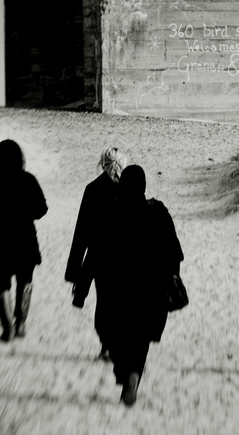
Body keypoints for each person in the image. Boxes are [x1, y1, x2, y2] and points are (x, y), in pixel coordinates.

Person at [91, 165, 182, 406]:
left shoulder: (111, 211)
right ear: (143, 186)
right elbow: (175, 253)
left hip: (116, 289)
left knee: (112, 334)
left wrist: (84, 282)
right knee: (140, 339)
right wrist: (171, 278)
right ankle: (133, 376)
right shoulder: (159, 212)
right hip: (151, 291)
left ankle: (124, 373)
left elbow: (96, 252)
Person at [0, 138, 48, 342]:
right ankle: (21, 324)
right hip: (25, 239)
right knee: (26, 281)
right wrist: (25, 212)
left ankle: (7, 330)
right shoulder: (28, 179)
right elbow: (42, 209)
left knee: (1, 284)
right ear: (20, 158)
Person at [66, 146, 127, 360]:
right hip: (124, 257)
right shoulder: (129, 189)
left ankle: (106, 347)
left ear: (102, 163)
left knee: (104, 303)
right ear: (122, 163)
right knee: (120, 302)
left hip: (98, 256)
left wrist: (73, 271)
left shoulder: (92, 189)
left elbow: (81, 231)